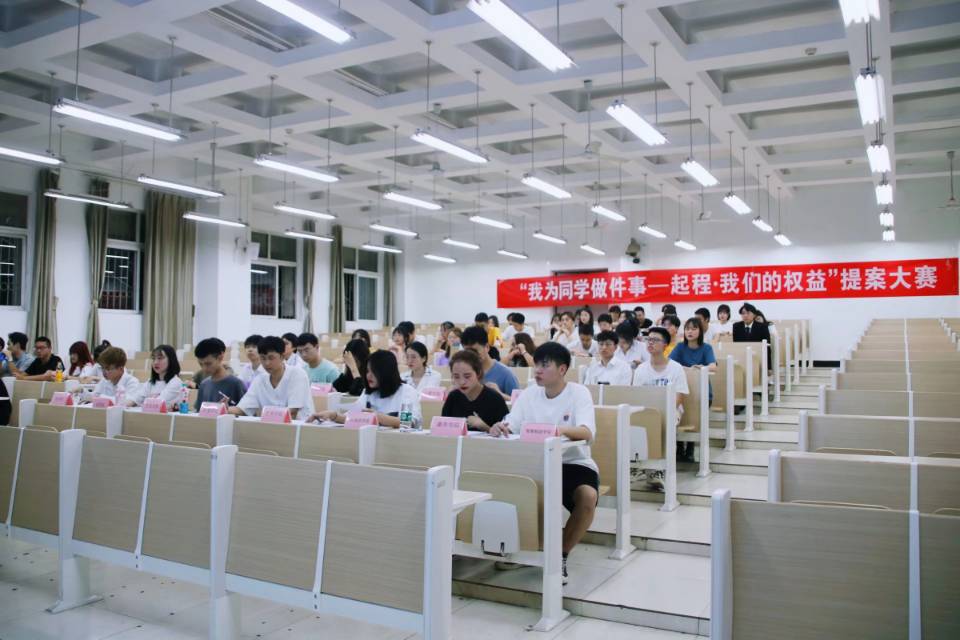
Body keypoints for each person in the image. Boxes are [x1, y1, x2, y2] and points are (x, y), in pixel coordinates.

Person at [490, 342, 598, 585]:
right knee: (513, 490)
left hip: (573, 462)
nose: (537, 370)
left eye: (545, 365)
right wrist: (500, 427)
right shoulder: (529, 394)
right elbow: (511, 424)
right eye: (537, 364)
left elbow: (587, 432)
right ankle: (522, 548)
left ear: (562, 369)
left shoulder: (579, 393)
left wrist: (557, 430)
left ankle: (560, 555)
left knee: (588, 497)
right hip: (534, 462)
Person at [312, 350, 421, 429]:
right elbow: (351, 417)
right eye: (367, 371)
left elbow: (408, 423)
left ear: (386, 373)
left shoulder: (406, 391)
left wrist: (376, 416)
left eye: (373, 372)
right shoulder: (368, 393)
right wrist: (333, 415)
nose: (368, 375)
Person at [633, 326, 691, 468]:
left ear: (665, 345)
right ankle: (639, 464)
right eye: (648, 339)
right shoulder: (641, 369)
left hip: (671, 410)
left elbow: (679, 397)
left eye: (655, 340)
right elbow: (637, 396)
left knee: (666, 420)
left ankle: (664, 466)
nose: (650, 342)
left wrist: (663, 411)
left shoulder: (676, 368)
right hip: (646, 410)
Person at [231, 336, 313, 421]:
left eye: (271, 358)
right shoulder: (259, 380)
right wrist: (225, 409)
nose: (267, 363)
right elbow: (242, 409)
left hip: (300, 426)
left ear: (282, 356)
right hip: (270, 425)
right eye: (263, 358)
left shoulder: (297, 374)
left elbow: (292, 412)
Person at [441, 349, 509, 432]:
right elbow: (443, 429)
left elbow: (505, 434)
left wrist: (483, 426)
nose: (462, 382)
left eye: (467, 376)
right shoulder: (453, 397)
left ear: (478, 373)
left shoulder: (495, 399)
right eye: (456, 377)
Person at [461, 326, 518, 399]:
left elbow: (519, 402)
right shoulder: (462, 373)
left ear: (487, 347)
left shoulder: (506, 374)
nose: (471, 356)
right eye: (467, 352)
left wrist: (500, 395)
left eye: (475, 351)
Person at [193, 338, 246, 411]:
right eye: (201, 364)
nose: (204, 368)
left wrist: (228, 410)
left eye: (208, 364)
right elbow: (198, 412)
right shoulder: (204, 385)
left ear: (220, 357)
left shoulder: (236, 384)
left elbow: (247, 412)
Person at [134, 345, 184, 410]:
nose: (155, 362)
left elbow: (155, 405)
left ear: (171, 360)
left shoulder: (176, 382)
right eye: (153, 358)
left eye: (160, 358)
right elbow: (135, 400)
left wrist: (145, 400)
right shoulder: (150, 382)